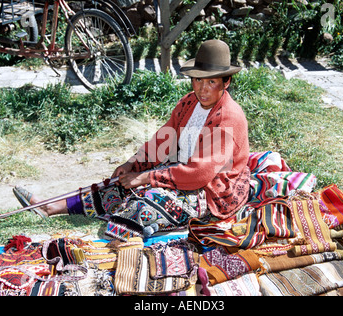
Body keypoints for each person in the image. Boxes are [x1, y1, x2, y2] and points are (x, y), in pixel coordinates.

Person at [13, 39, 251, 241]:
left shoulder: (227, 117)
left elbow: (201, 173)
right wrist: (132, 165)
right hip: (183, 170)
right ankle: (50, 207)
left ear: (226, 82)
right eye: (198, 80)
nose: (203, 89)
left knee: (149, 199)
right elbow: (163, 141)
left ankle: (129, 226)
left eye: (211, 81)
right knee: (121, 182)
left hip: (213, 189)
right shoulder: (189, 103)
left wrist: (148, 177)